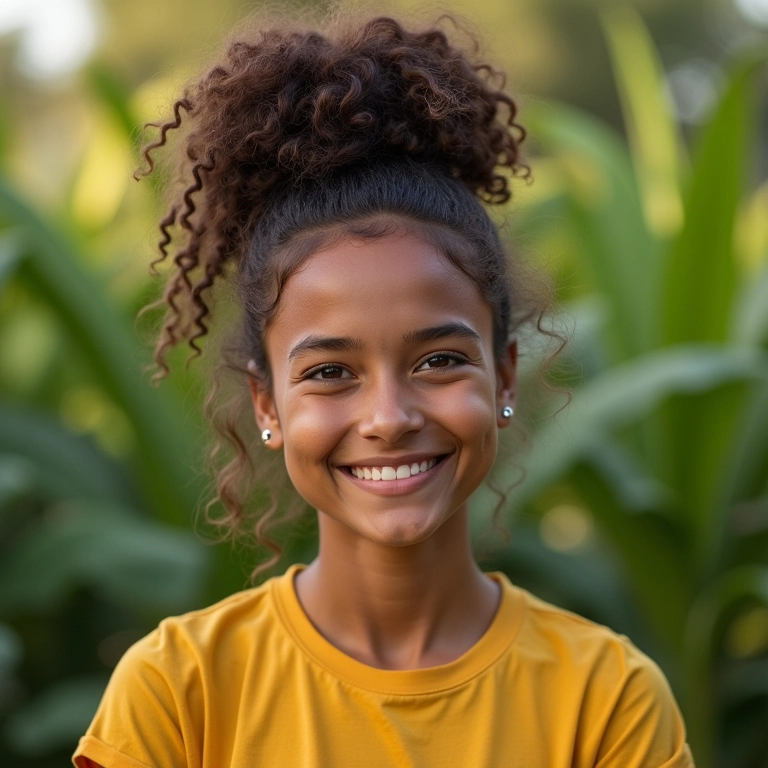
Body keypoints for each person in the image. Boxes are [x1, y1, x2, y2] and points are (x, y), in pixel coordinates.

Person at [72, 11, 695, 768]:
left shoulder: (605, 699)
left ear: (503, 374)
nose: (389, 418)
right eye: (330, 372)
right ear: (267, 404)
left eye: (439, 362)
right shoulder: (178, 694)